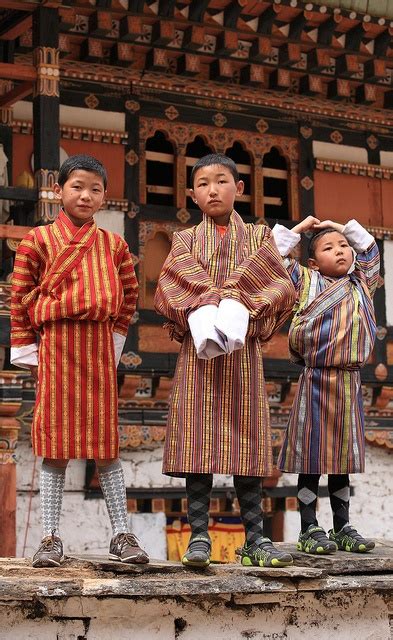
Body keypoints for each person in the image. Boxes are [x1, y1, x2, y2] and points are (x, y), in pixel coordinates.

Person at [154, 153, 296, 568]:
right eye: (202, 183)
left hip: (244, 354)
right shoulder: (184, 240)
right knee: (197, 439)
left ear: (240, 187)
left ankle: (256, 538)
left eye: (221, 180)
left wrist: (237, 304)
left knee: (248, 441)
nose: (212, 189)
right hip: (198, 356)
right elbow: (170, 286)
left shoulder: (259, 238)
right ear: (193, 194)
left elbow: (279, 285)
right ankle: (199, 537)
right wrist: (215, 301)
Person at [11, 154, 149, 567]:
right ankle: (50, 538)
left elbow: (128, 297)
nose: (85, 196)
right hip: (55, 346)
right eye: (77, 186)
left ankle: (122, 535)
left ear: (104, 197)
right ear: (59, 190)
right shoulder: (37, 240)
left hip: (97, 349)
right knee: (54, 445)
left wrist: (113, 347)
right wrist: (29, 351)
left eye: (94, 189)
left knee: (105, 446)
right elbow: (19, 298)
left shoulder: (114, 245)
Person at [273, 215, 380, 554]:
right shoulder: (305, 281)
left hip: (349, 381)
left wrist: (345, 227)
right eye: (329, 247)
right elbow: (275, 257)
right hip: (316, 379)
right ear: (313, 261)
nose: (341, 251)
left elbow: (371, 251)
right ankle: (309, 526)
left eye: (344, 246)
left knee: (341, 460)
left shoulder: (362, 283)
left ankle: (343, 525)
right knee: (312, 458)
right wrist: (300, 230)